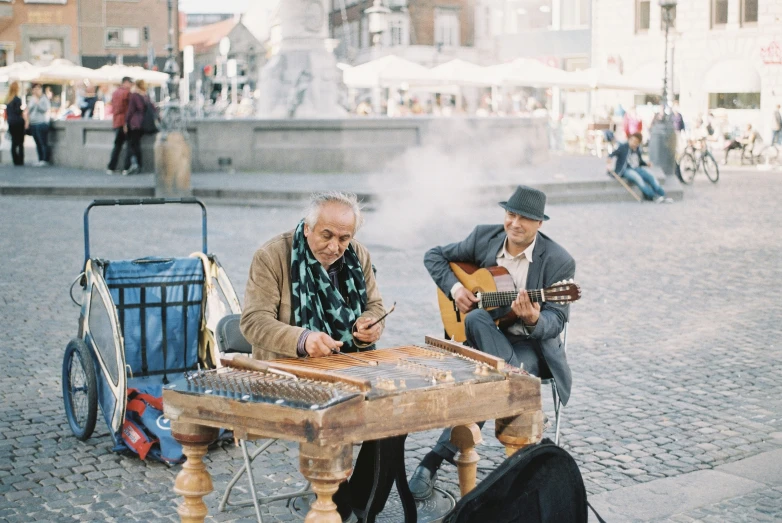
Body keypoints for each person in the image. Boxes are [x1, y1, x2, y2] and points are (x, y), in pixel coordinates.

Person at [408, 185, 576, 501]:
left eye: (525, 218)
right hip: (486, 337)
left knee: (490, 378)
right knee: (474, 321)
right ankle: (517, 461)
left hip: (530, 348)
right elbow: (435, 256)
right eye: (511, 214)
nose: (515, 223)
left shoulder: (558, 260)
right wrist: (456, 289)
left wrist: (533, 320)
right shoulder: (484, 237)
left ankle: (434, 459)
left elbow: (556, 321)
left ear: (540, 223)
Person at [240, 191, 386, 522]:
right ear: (308, 228)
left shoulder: (356, 254)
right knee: (332, 410)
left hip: (347, 363)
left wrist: (370, 324)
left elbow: (374, 305)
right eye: (327, 235)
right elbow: (252, 323)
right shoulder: (272, 256)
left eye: (344, 238)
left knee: (390, 407)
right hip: (287, 371)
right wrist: (303, 339)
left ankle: (363, 500)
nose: (335, 246)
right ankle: (336, 502)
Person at [607, 132, 672, 203]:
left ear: (638, 143)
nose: (633, 143)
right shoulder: (623, 147)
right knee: (638, 178)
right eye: (631, 140)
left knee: (651, 178)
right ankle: (653, 196)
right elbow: (611, 155)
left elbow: (639, 161)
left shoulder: (637, 149)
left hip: (637, 168)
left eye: (636, 142)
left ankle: (663, 195)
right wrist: (609, 164)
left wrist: (646, 164)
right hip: (626, 169)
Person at [123, 79, 153, 175]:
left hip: (134, 123)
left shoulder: (134, 96)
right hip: (143, 124)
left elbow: (130, 111)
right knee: (137, 145)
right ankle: (139, 165)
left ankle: (128, 166)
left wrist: (126, 123)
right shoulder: (146, 96)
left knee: (132, 145)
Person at [107, 77, 132, 174]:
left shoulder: (115, 93)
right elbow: (127, 110)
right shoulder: (127, 93)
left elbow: (114, 107)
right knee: (129, 145)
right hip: (124, 122)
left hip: (116, 122)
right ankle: (126, 167)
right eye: (130, 83)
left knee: (117, 146)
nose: (131, 85)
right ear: (125, 83)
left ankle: (111, 167)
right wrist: (126, 123)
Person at [27, 83, 51, 166]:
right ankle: (40, 158)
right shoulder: (32, 99)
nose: (36, 90)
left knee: (42, 142)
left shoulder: (44, 98)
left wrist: (38, 103)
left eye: (38, 88)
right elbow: (29, 110)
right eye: (35, 89)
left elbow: (45, 109)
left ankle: (45, 159)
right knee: (37, 142)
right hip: (33, 123)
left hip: (41, 122)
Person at [4, 81, 26, 166]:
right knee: (20, 142)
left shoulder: (8, 100)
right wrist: (22, 110)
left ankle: (15, 159)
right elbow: (18, 111)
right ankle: (20, 160)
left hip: (11, 122)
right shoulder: (17, 99)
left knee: (13, 142)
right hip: (18, 122)